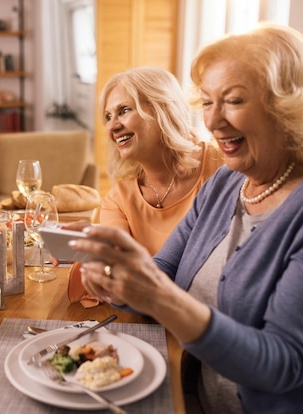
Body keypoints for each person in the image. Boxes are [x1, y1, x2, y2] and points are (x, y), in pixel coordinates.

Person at [71, 24, 303, 414]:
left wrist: (155, 294)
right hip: (193, 396)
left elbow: (282, 363)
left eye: (232, 100)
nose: (213, 121)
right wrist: (119, 283)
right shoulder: (226, 182)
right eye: (207, 102)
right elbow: (164, 269)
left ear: (287, 104)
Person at [68, 67, 222, 307]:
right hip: (155, 318)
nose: (112, 126)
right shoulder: (118, 199)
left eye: (124, 110)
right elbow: (120, 279)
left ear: (163, 110)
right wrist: (97, 252)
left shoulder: (222, 167)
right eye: (108, 117)